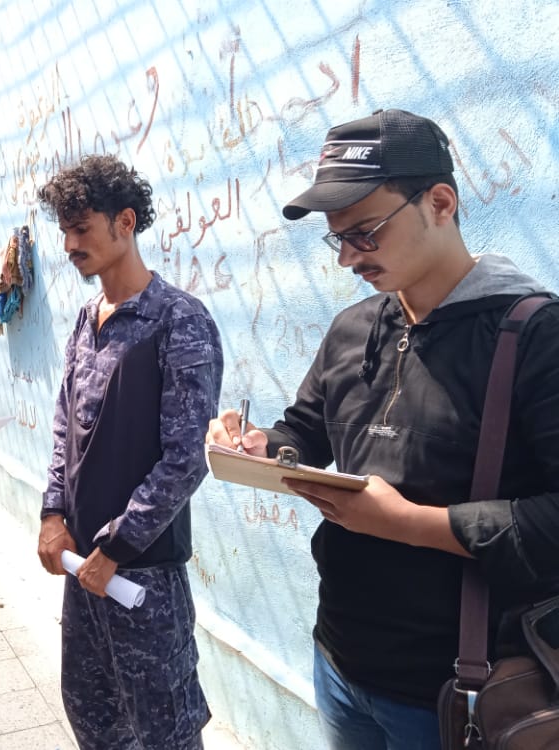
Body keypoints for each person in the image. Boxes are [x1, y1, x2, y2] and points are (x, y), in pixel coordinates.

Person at [207, 108, 559, 749]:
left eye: (365, 233)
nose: (347, 257)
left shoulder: (536, 335)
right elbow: (306, 429)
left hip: (458, 688)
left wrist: (411, 524)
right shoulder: (354, 328)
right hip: (338, 657)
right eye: (336, 239)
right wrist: (262, 447)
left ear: (440, 203)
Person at [36, 154, 224, 749]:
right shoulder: (86, 320)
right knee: (93, 716)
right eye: (64, 231)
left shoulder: (178, 320)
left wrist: (117, 546)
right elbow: (66, 427)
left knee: (163, 729)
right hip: (83, 570)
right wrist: (52, 514)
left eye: (81, 228)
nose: (70, 244)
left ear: (125, 222)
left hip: (142, 578)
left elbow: (186, 457)